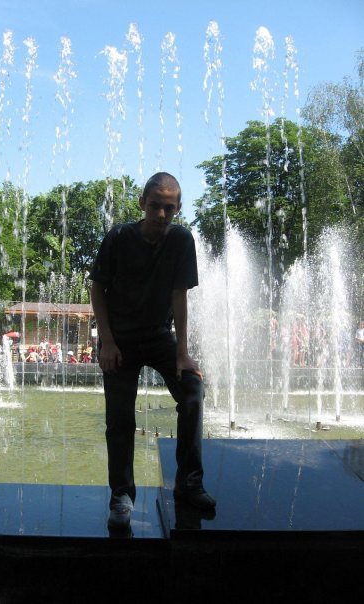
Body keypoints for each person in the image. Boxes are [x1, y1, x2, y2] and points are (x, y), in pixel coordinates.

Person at [89, 171, 216, 532]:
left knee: (192, 390)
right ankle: (121, 495)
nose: (162, 214)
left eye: (169, 208)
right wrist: (107, 342)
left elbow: (179, 295)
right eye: (156, 206)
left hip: (160, 336)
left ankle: (189, 483)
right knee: (120, 418)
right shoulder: (118, 237)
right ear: (142, 203)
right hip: (120, 339)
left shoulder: (181, 240)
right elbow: (97, 288)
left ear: (178, 209)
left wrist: (183, 353)